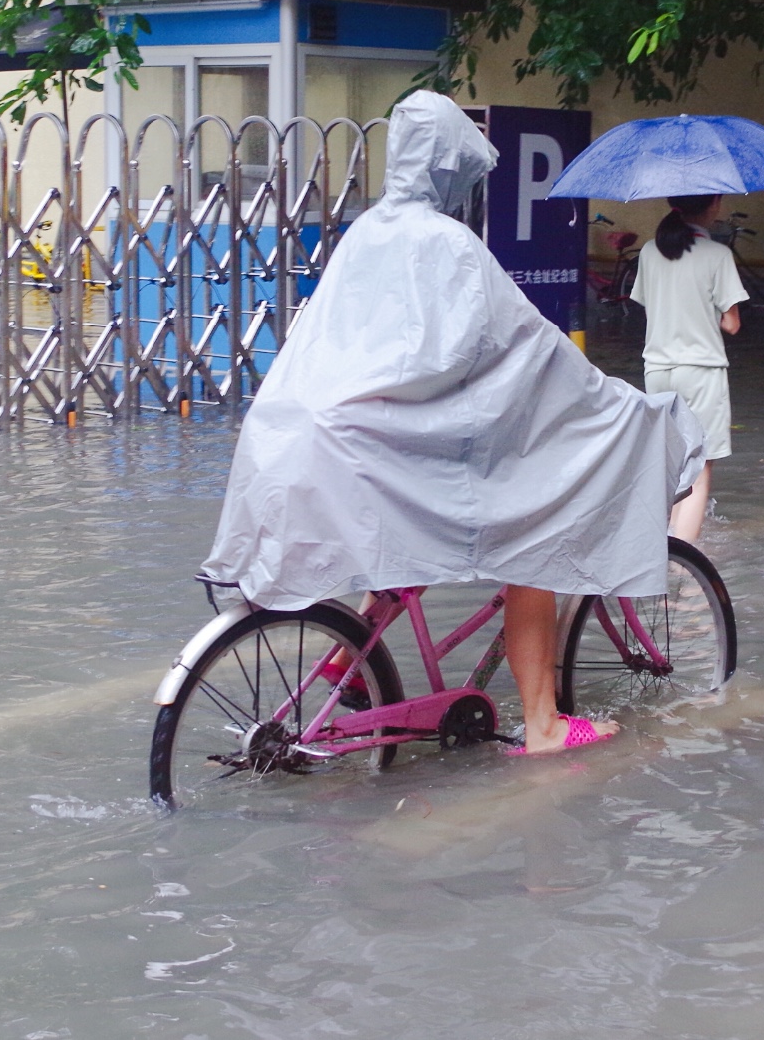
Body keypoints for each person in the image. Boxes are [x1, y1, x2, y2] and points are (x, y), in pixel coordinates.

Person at [202, 91, 706, 754]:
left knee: (402, 539)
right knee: (537, 542)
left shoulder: (365, 233)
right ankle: (546, 725)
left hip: (317, 433)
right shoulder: (448, 243)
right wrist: (606, 398)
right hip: (382, 441)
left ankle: (344, 666)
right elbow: (524, 343)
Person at [631, 194, 747, 543]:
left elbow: (647, 303)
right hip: (701, 372)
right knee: (699, 471)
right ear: (713, 205)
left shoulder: (650, 251)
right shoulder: (718, 255)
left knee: (672, 467)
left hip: (657, 371)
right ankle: (686, 569)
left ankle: (665, 547)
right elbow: (732, 324)